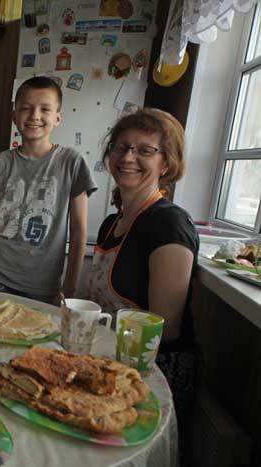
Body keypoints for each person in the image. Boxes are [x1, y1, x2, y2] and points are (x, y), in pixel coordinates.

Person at [86, 108, 199, 421]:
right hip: (108, 363)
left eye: (145, 150)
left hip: (150, 377)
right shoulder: (113, 221)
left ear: (166, 163)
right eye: (121, 147)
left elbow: (164, 329)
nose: (128, 157)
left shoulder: (169, 225)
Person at [0, 77, 97, 303]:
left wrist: (70, 288)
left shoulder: (72, 162)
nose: (34, 116)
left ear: (58, 118)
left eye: (45, 109)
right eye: (26, 108)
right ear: (14, 115)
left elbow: (79, 231)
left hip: (44, 287)